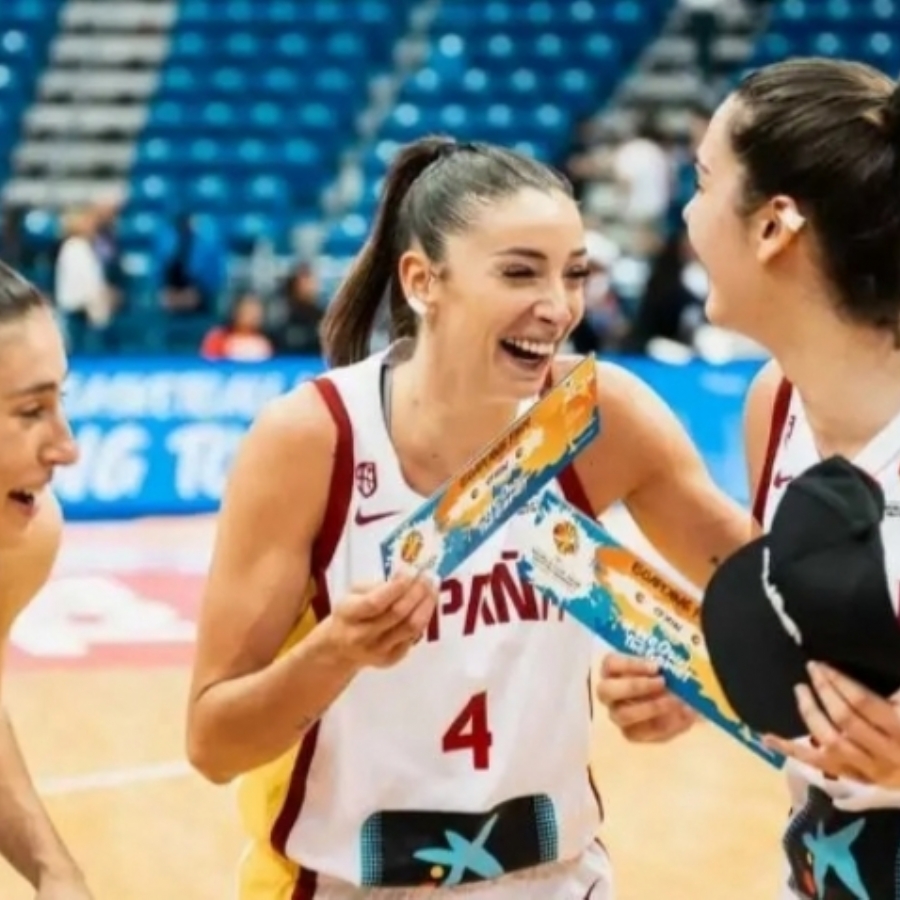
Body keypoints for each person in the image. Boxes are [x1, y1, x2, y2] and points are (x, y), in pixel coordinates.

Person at [186, 136, 750, 899]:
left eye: (574, 273)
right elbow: (215, 745)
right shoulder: (311, 441)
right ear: (423, 280)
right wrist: (336, 651)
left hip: (556, 879)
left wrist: (699, 674)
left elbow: (775, 600)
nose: (557, 306)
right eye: (520, 271)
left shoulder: (600, 415)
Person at [596, 57, 900, 899]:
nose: (688, 215)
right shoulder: (777, 408)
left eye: (700, 181)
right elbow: (827, 642)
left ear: (773, 227)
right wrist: (706, 673)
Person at [0, 261, 90, 897]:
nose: (66, 446)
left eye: (61, 400)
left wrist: (55, 870)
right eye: (32, 410)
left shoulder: (26, 537)